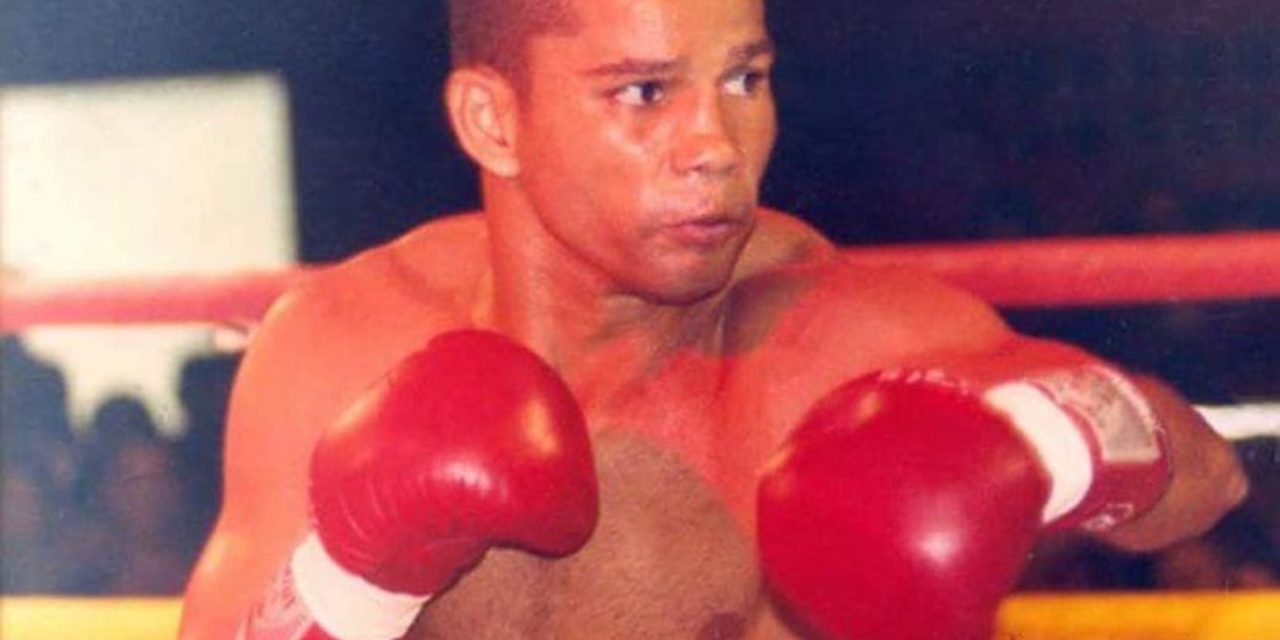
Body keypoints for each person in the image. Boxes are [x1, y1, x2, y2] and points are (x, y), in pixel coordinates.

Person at [179, 0, 1247, 638]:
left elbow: (1202, 474)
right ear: (492, 121)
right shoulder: (342, 341)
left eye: (744, 77)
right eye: (644, 94)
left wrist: (1042, 442)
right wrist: (355, 566)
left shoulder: (842, 341)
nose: (715, 144)